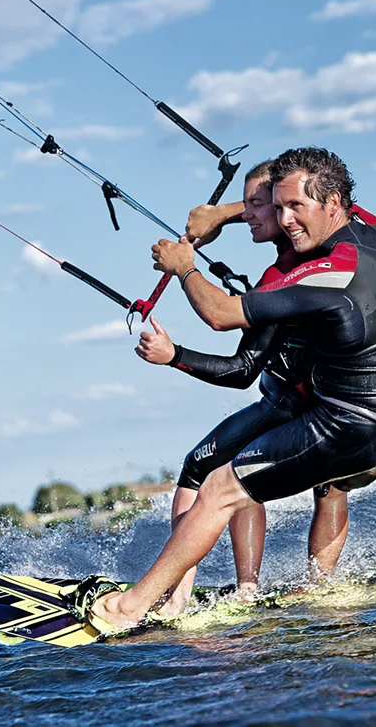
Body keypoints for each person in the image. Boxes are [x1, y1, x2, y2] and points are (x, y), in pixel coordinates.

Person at [85, 147, 376, 632]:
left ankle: (132, 605)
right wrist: (224, 215)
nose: (287, 219)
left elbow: (222, 315)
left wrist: (184, 266)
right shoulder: (372, 231)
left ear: (332, 203)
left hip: (353, 427)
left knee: (221, 487)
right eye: (280, 206)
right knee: (322, 482)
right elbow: (282, 204)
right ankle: (320, 591)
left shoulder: (329, 271)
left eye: (297, 208)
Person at [135, 158, 302, 615]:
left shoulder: (283, 279)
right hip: (311, 397)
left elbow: (241, 369)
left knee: (200, 468)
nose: (246, 213)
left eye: (254, 205)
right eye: (243, 204)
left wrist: (176, 357)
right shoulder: (305, 254)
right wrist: (220, 215)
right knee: (243, 477)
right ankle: (248, 591)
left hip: (291, 401)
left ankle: (178, 597)